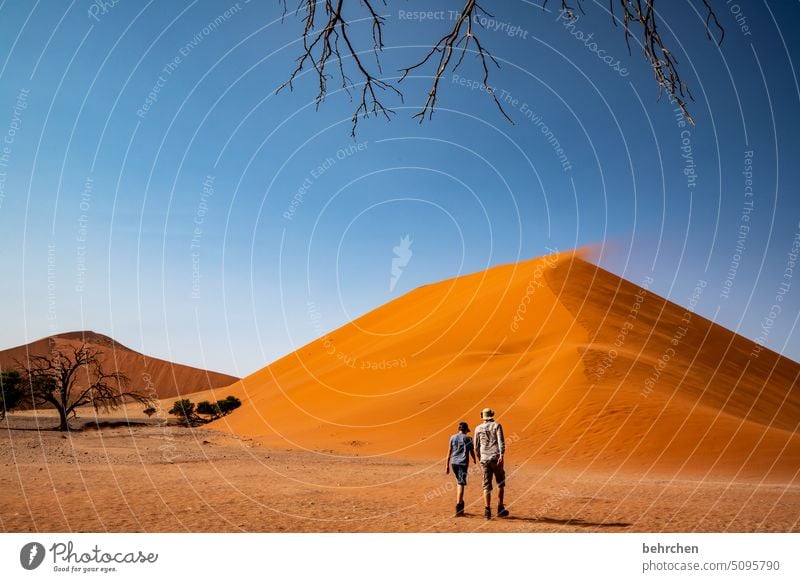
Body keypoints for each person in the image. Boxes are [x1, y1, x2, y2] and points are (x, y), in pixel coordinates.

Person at [474, 407, 508, 519]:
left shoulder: (478, 428)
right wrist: (501, 455)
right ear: (492, 415)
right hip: (495, 457)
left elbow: (476, 447)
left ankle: (487, 511)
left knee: (486, 485)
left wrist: (480, 458)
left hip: (484, 459)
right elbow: (501, 442)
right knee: (500, 482)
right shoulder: (497, 426)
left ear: (482, 416)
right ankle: (500, 508)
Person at [445, 421, 477, 517]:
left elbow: (449, 451)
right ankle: (459, 506)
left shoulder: (452, 437)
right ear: (466, 430)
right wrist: (474, 459)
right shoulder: (468, 438)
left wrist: (446, 465)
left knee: (459, 482)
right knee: (461, 484)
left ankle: (461, 503)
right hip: (462, 464)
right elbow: (471, 451)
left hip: (453, 463)